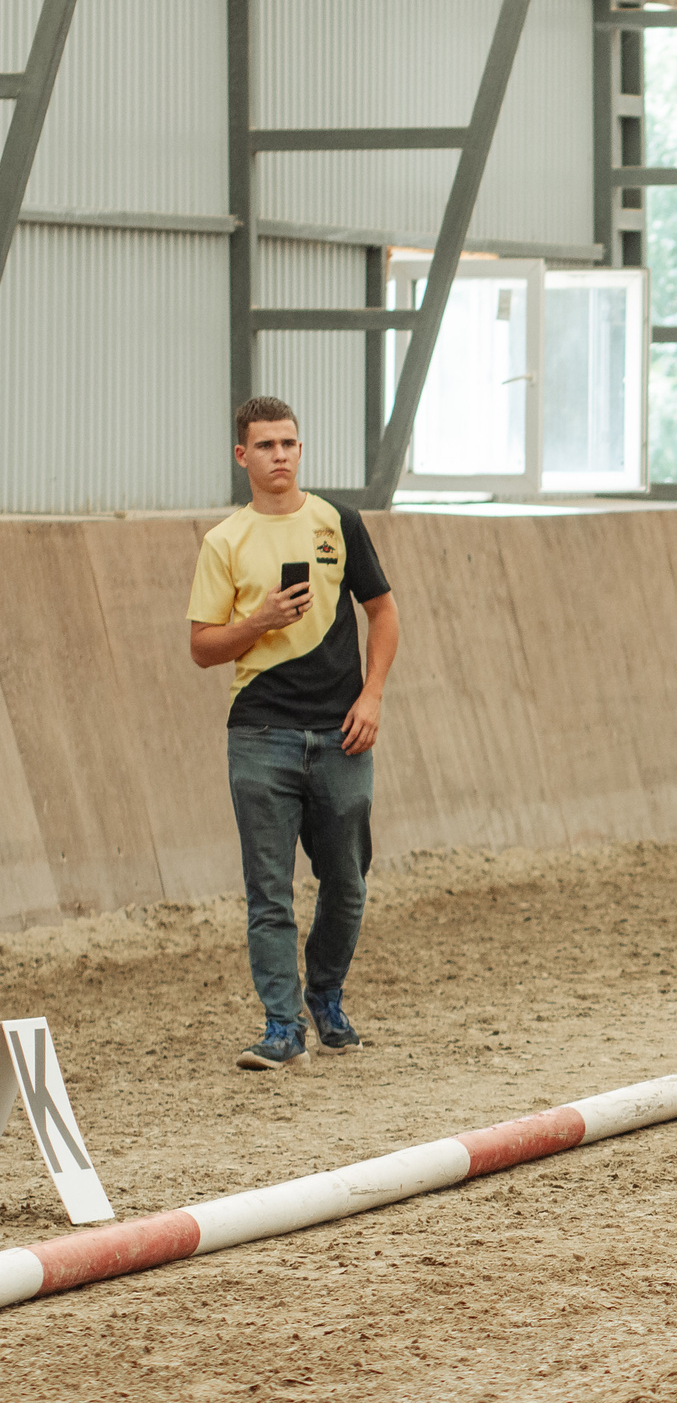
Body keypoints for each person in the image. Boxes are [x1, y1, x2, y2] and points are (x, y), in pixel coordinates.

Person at [188, 398, 400, 1071]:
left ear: (300, 450)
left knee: (348, 882)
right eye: (265, 444)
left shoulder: (339, 522)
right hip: (260, 734)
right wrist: (259, 620)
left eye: (288, 443)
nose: (279, 454)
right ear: (242, 456)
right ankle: (282, 1027)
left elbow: (384, 613)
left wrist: (372, 695)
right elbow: (202, 647)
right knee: (269, 892)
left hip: (341, 733)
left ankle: (325, 995)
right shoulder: (224, 542)